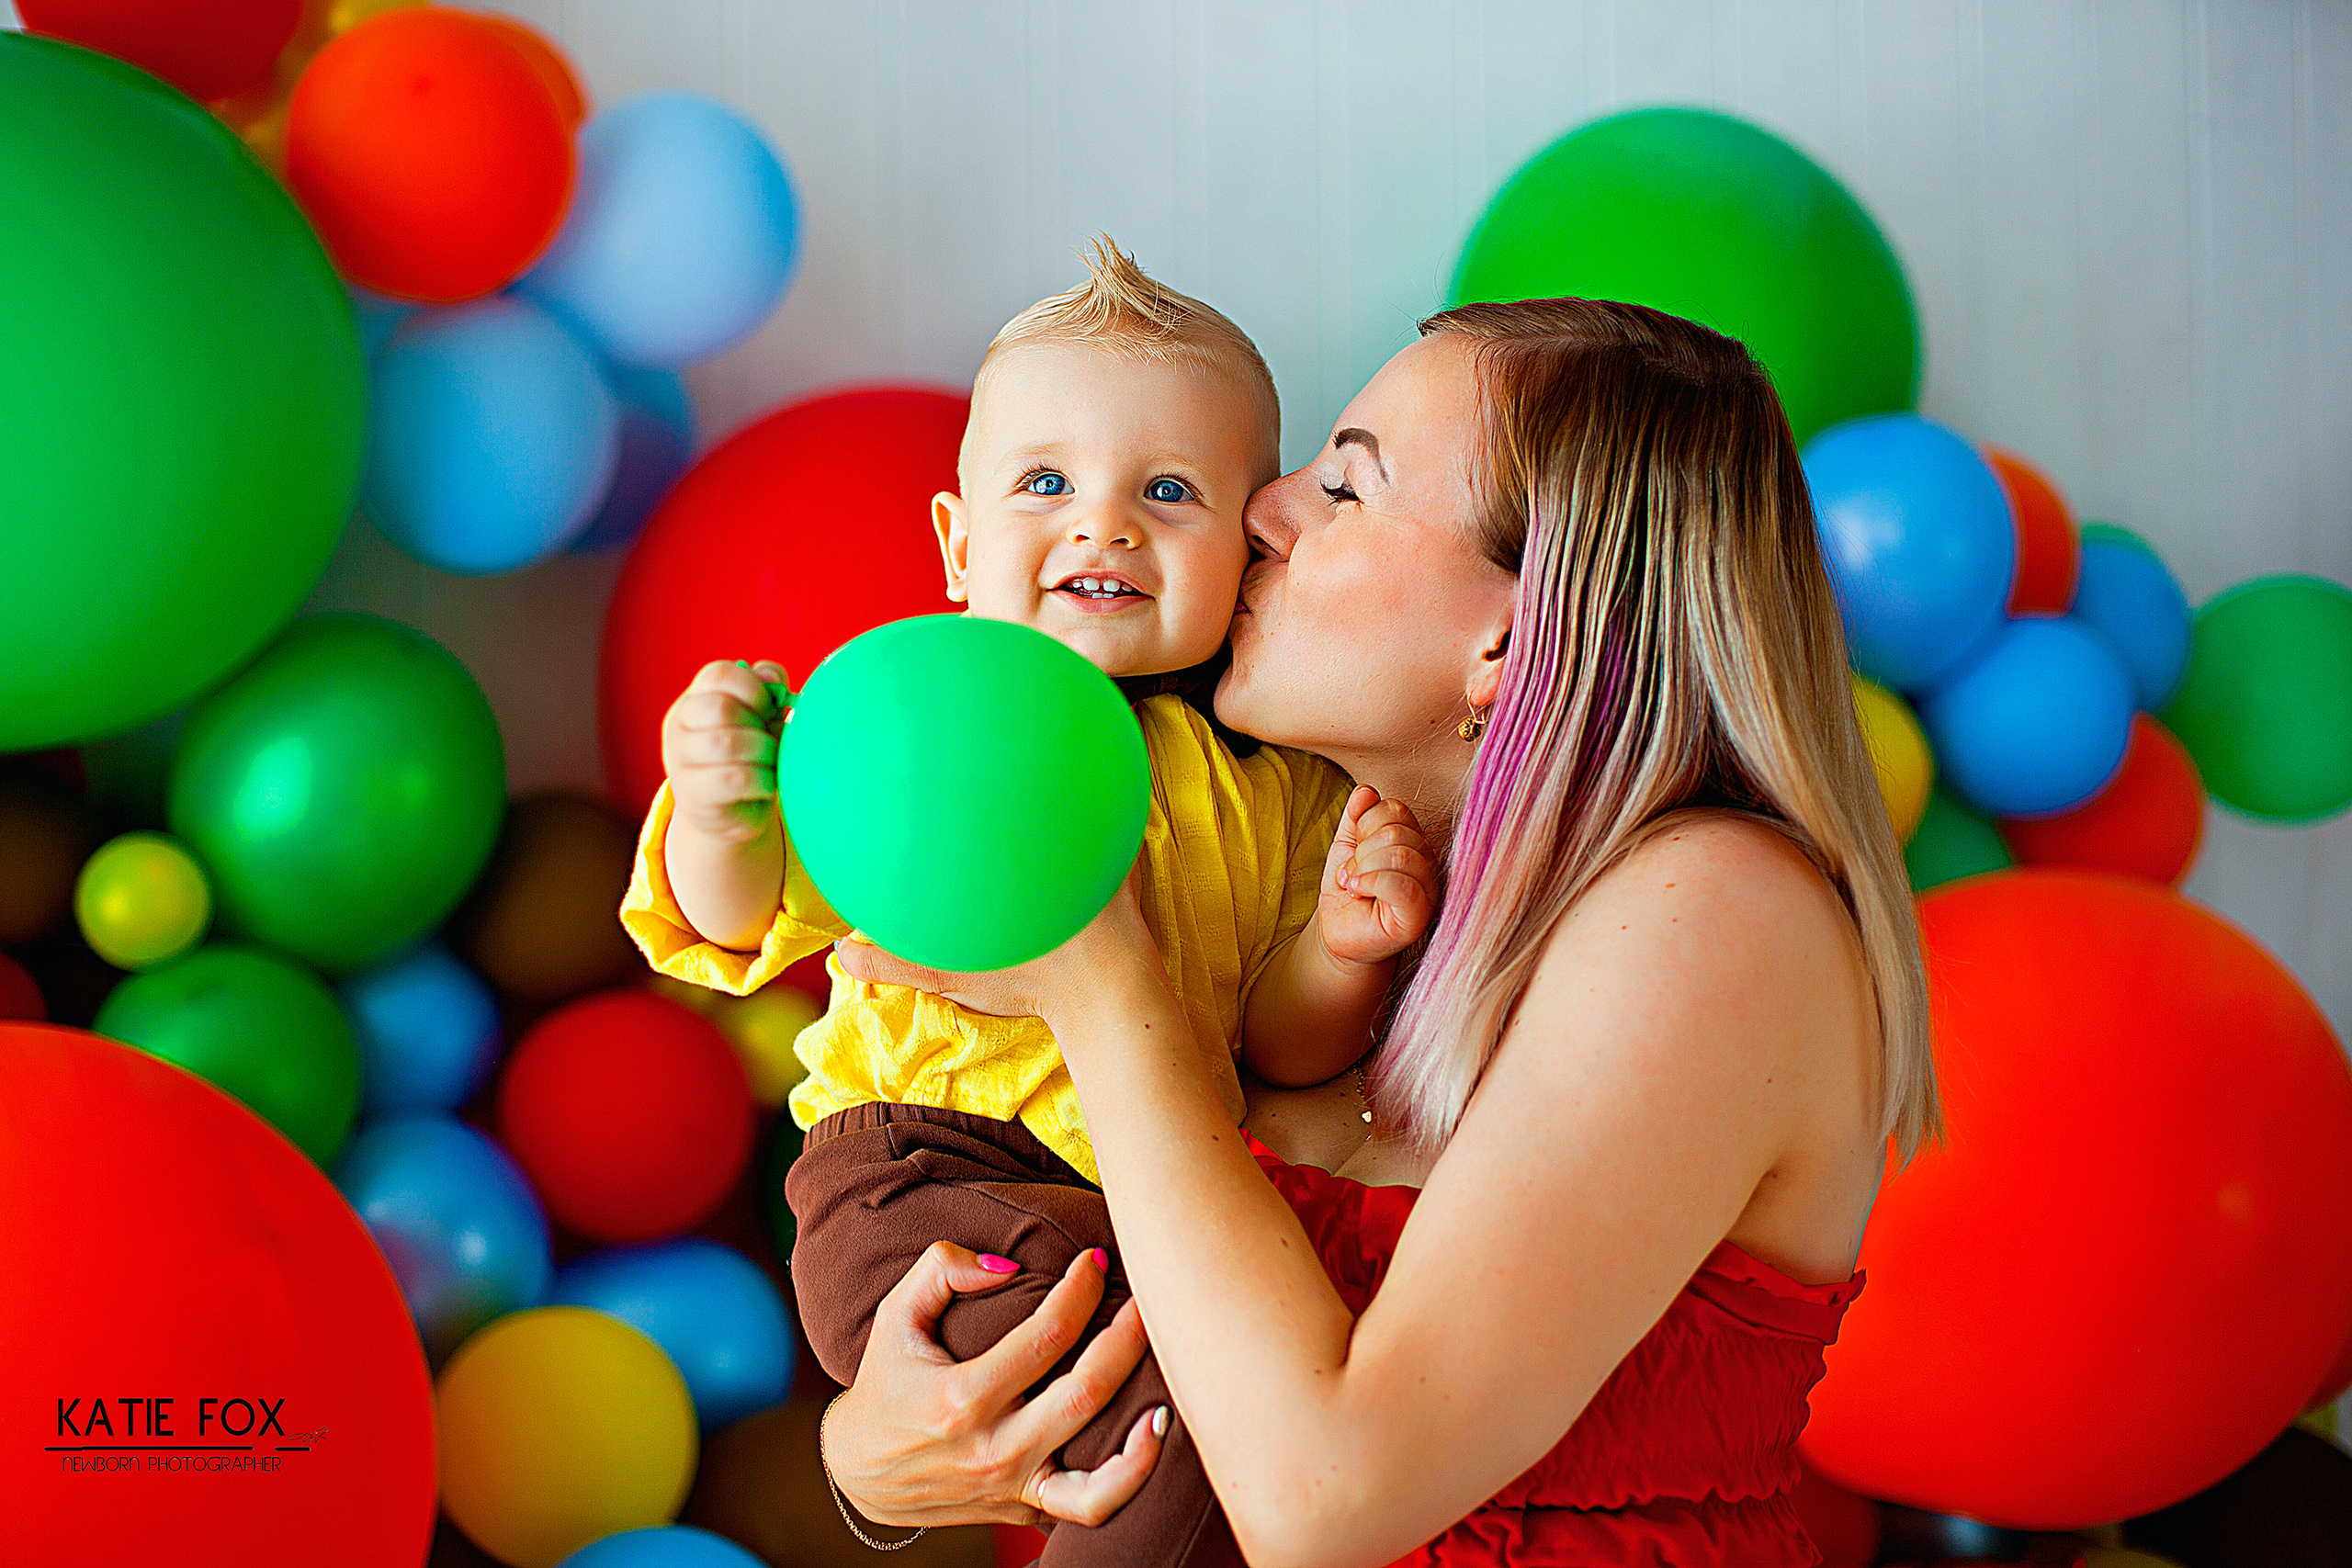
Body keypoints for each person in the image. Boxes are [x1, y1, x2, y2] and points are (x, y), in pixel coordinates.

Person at [819, 297, 1940, 1565]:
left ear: (1510, 647)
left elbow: (1322, 1500)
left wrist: (1094, 977)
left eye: (1345, 488)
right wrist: (879, 1455)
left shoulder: (1719, 916)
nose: (1264, 512)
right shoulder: (1313, 905)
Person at [619, 240, 1439, 1565]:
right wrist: (724, 813)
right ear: (958, 544)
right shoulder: (932, 723)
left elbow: (1285, 1046)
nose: (1101, 524)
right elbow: (735, 919)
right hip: (921, 1181)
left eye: (1167, 492)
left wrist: (1343, 947)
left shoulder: (1283, 782)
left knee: (1220, 1406)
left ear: (1250, 551)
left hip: (1150, 1203)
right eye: (1045, 483)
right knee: (1173, 1407)